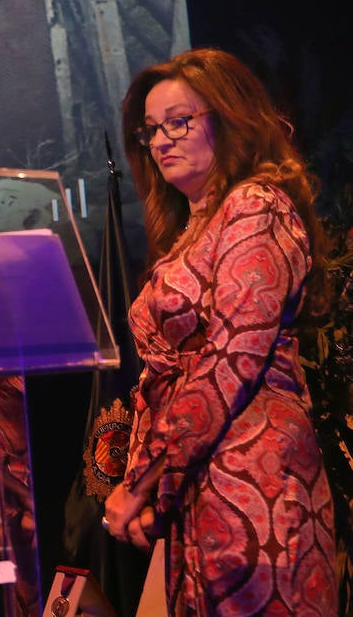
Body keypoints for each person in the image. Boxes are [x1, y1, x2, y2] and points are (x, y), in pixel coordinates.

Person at [103, 47, 336, 614]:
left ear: (230, 118)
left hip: (256, 482)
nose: (161, 141)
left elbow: (232, 359)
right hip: (196, 480)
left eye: (179, 121)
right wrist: (153, 482)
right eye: (151, 130)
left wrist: (142, 484)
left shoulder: (257, 206)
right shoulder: (194, 229)